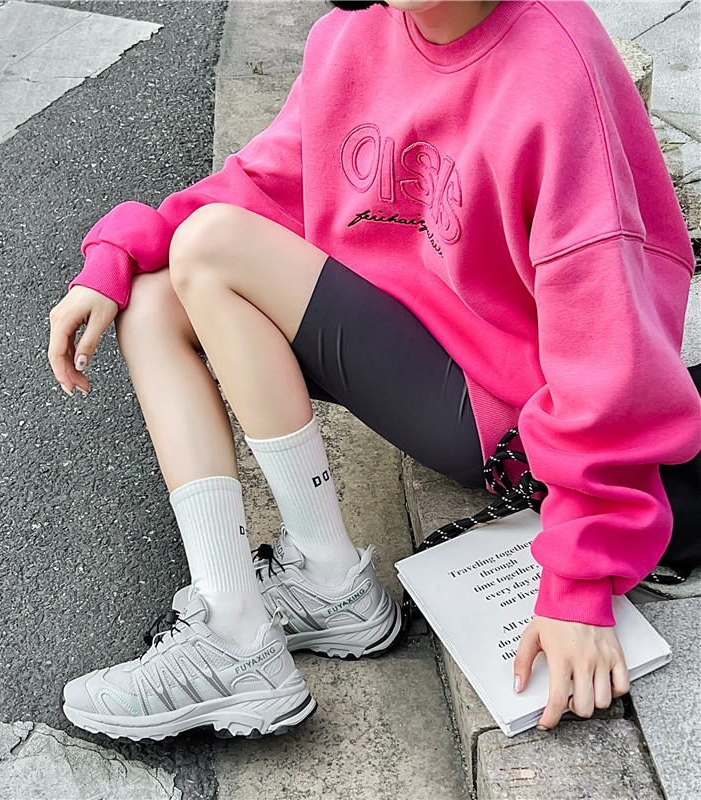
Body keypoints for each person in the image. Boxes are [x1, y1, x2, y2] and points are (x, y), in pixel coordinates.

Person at [47, 0, 701, 741]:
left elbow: (610, 342)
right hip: (408, 344)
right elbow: (266, 183)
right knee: (153, 299)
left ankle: (277, 613)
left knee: (211, 247)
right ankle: (276, 602)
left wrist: (579, 581)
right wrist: (114, 259)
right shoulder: (352, 38)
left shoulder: (559, 65)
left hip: (499, 409)